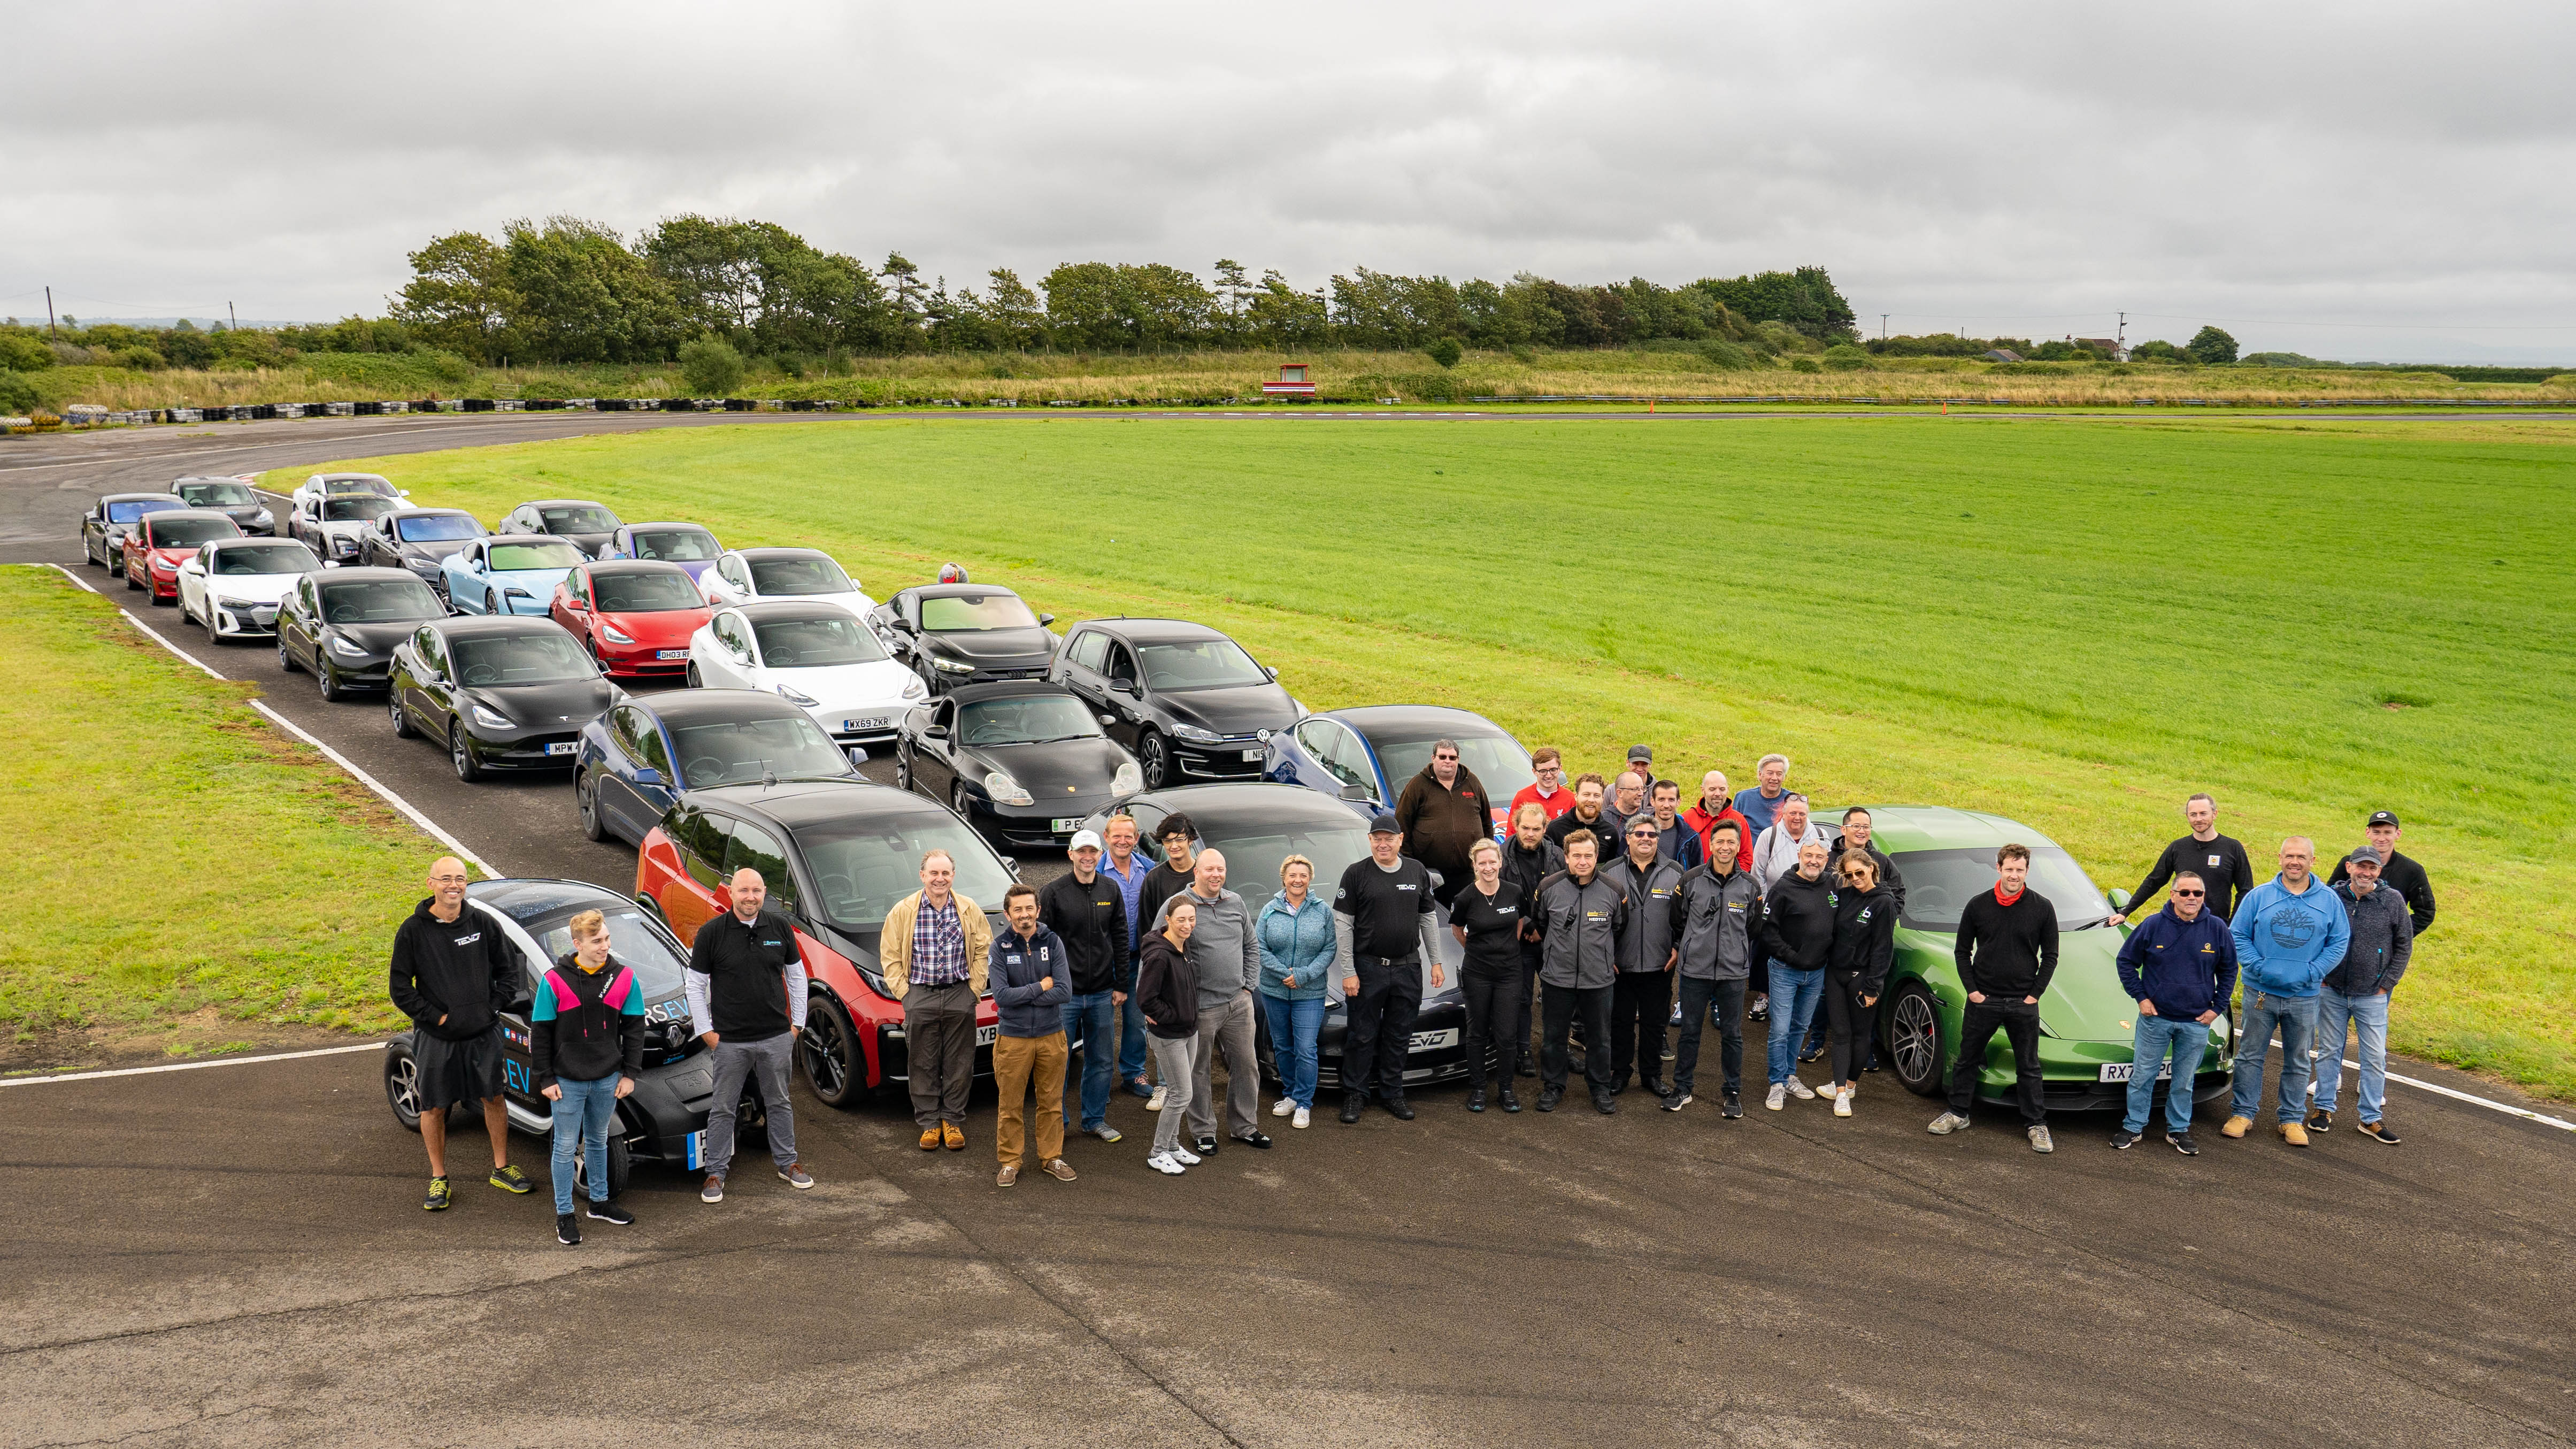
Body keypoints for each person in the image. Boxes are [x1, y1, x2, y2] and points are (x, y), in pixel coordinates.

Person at [390, 856, 528, 1211]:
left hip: (484, 1033)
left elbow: (510, 968)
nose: (454, 885)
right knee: (434, 1106)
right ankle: (438, 1177)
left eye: (461, 879)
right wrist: (435, 1018)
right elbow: (400, 987)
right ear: (430, 883)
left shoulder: (483, 922)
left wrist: (493, 1006)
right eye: (446, 879)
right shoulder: (412, 931)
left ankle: (501, 1167)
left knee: (494, 1098)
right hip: (436, 1039)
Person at [688, 867, 814, 1199]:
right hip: (729, 1041)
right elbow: (695, 985)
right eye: (744, 891)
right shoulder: (712, 933)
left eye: (757, 891)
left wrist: (796, 1025)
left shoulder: (780, 928)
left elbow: (798, 978)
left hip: (775, 1037)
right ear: (731, 893)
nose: (751, 898)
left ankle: (788, 1163)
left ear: (764, 893)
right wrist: (707, 1032)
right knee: (723, 1108)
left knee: (779, 1103)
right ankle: (715, 1173)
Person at [1926, 845, 2060, 1153]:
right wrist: (1973, 991)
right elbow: (1962, 952)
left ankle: (2036, 1125)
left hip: (2022, 1003)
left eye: (2020, 870)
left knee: (2029, 1067)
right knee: (1967, 1059)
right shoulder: (1978, 906)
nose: (2014, 875)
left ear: (2027, 872)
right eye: (2009, 869)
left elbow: (2051, 956)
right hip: (1983, 1000)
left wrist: (2033, 995)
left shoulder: (2042, 907)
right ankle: (1958, 1113)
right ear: (1998, 868)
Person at [2222, 838, 2350, 1147]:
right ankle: (2242, 1114)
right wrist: (2258, 966)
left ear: (2312, 861)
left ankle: (2291, 1119)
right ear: (2279, 858)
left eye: (2301, 857)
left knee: (2298, 1059)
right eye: (2290, 856)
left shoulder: (2329, 900)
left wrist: (2313, 971)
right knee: (2251, 1055)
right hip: (2260, 993)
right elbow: (2237, 934)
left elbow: (2339, 941)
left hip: (2305, 996)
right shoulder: (2259, 896)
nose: (2295, 862)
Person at [533, 908, 645, 1245]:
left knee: (598, 1140)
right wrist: (545, 1078)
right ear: (577, 943)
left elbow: (635, 1029)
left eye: (607, 939)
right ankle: (565, 1214)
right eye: (597, 941)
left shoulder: (625, 977)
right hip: (566, 1080)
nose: (605, 946)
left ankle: (600, 1203)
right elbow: (540, 1033)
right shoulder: (554, 980)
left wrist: (630, 1073)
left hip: (607, 1076)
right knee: (565, 1147)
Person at [1150, 848, 1268, 1153]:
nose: (1216, 875)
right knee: (1198, 1070)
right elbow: (1154, 952)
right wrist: (1151, 1003)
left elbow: (1252, 946)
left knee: (1247, 1065)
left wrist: (1248, 987)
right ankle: (1203, 1131)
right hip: (1199, 1008)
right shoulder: (1180, 906)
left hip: (1238, 1003)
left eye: (1221, 869)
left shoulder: (1236, 902)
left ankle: (1245, 1126)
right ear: (1196, 872)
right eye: (1209, 869)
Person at [2110, 870, 2236, 1155]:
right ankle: (2134, 1125)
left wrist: (2216, 1008)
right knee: (2143, 1076)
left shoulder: (2217, 929)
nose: (2192, 898)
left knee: (2184, 1080)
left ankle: (2178, 1129)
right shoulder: (2153, 925)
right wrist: (2141, 998)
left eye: (2198, 893)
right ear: (2173, 895)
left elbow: (2230, 971)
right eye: (2185, 893)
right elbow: (2126, 962)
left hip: (2195, 1022)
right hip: (2156, 1019)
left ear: (2204, 896)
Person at [1333, 812, 1449, 1122]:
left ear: (1400, 840)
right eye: (1377, 838)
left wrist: (1436, 962)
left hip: (1408, 967)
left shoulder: (1416, 871)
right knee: (1361, 1034)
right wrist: (1348, 971)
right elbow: (1343, 925)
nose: (1383, 844)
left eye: (1389, 838)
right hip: (1368, 967)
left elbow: (1428, 919)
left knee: (1400, 1034)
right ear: (1369, 840)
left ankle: (1393, 1093)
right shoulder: (1356, 874)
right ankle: (1355, 1095)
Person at [881, 850, 993, 1154]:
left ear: (953, 876)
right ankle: (930, 1123)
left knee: (960, 1063)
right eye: (934, 873)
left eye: (945, 873)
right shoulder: (903, 911)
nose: (939, 879)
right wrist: (906, 995)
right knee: (922, 1062)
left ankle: (952, 1121)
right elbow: (890, 956)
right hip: (920, 995)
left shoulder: (968, 909)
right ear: (922, 876)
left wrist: (974, 989)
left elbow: (983, 949)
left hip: (960, 994)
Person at [2311, 846, 2414, 1144]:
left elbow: (2404, 945)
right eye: (2360, 867)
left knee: (2374, 1056)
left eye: (2372, 868)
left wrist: (2387, 983)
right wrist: (2322, 977)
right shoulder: (2331, 897)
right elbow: (2319, 935)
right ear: (2349, 867)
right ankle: (2323, 1108)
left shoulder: (2393, 901)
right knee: (2330, 1050)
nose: (2365, 873)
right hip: (2332, 990)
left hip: (2372, 994)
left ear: (2379, 872)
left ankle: (2370, 1118)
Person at [1039, 830, 1132, 1144]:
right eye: (1082, 852)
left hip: (1104, 992)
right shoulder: (1053, 892)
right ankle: (1059, 1122)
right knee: (1058, 1061)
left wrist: (1121, 983)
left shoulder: (1111, 889)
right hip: (1066, 995)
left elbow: (1120, 936)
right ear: (1071, 854)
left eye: (1093, 851)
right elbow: (1043, 942)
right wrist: (1050, 983)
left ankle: (1094, 1120)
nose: (1088, 857)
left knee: (1102, 1059)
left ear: (1099, 853)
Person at [1530, 829, 1627, 1114]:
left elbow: (1619, 927)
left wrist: (1602, 955)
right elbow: (1541, 922)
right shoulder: (1548, 888)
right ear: (1566, 857)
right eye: (1577, 856)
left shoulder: (1613, 890)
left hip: (1598, 979)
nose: (1583, 861)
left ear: (1597, 856)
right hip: (1557, 977)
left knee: (1599, 1038)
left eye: (1588, 856)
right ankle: (1553, 1086)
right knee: (1554, 1037)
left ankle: (1599, 1088)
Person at [1667, 819, 1760, 1116]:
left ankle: (1732, 1093)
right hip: (1695, 970)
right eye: (1720, 841)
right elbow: (1677, 920)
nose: (1725, 847)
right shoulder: (1690, 880)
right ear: (1711, 844)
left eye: (1731, 842)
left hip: (1733, 973)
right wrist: (1694, 946)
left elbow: (1753, 926)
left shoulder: (1750, 886)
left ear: (1738, 846)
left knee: (1732, 1034)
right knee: (1690, 1032)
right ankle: (1683, 1088)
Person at [989, 884, 1075, 1187]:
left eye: (1029, 909)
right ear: (1007, 913)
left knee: (1051, 1101)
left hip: (1052, 1035)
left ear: (1038, 911)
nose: (1024, 915)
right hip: (1013, 1039)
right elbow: (1001, 997)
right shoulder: (999, 947)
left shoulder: (1053, 943)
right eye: (1018, 910)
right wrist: (1041, 986)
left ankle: (1051, 1157)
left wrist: (1023, 995)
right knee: (1010, 1103)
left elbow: (1065, 991)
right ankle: (1010, 1161)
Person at [1810, 807, 1905, 1067]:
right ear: (1844, 830)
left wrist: (1879, 918)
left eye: (1866, 826)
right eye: (1856, 826)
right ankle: (1817, 1042)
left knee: (1865, 1002)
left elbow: (1898, 893)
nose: (1862, 831)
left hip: (1863, 947)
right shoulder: (1829, 858)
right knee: (1822, 998)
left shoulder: (1882, 861)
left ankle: (1866, 1051)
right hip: (1833, 946)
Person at [1604, 815, 1683, 1098]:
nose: (1646, 839)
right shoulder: (1610, 871)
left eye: (1652, 835)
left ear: (1658, 839)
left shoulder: (1675, 872)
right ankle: (1620, 1073)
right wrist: (1606, 953)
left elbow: (1683, 917)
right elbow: (1601, 920)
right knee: (1621, 1022)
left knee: (1654, 1024)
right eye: (1639, 834)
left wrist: (1676, 946)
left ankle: (1651, 1076)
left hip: (1659, 964)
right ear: (1628, 838)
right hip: (1619, 965)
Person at [1754, 839, 1835, 1111]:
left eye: (1819, 857)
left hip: (1816, 972)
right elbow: (1767, 931)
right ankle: (1776, 1083)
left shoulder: (1832, 886)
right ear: (1799, 855)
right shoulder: (1783, 888)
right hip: (1785, 970)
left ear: (1827, 860)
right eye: (1809, 855)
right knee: (1779, 1029)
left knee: (1801, 1026)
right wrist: (1792, 956)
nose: (1814, 861)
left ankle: (1789, 1076)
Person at [1256, 854, 1335, 1130]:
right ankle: (1289, 1094)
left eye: (1303, 875)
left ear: (1310, 879)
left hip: (1310, 992)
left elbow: (1329, 949)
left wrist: (1303, 975)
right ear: (1284, 879)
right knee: (1283, 1046)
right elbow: (1259, 948)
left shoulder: (1322, 910)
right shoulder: (1269, 910)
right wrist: (1284, 974)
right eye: (1292, 875)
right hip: (1274, 991)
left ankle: (1304, 1103)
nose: (1297, 880)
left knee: (1305, 1048)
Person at [1450, 838, 1527, 1113]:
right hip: (1478, 973)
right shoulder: (1465, 897)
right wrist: (1476, 951)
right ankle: (1479, 1089)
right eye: (1482, 863)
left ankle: (1506, 1089)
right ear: (1474, 865)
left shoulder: (1514, 892)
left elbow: (1519, 921)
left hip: (1509, 973)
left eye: (1492, 862)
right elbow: (1457, 929)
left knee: (1507, 1035)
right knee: (1477, 1033)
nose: (1488, 867)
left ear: (1500, 862)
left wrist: (1509, 946)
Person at [1819, 852, 1896, 1117]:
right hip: (1836, 973)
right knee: (1840, 1034)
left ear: (1872, 869)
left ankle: (1850, 1086)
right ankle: (1841, 1091)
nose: (1855, 879)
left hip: (1863, 977)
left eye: (1859, 873)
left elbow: (1883, 948)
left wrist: (1874, 985)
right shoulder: (1846, 895)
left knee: (1861, 1035)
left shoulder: (1884, 902)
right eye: (1849, 875)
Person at [1135, 815, 1200, 1111]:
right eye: (1167, 841)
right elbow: (1146, 927)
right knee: (1165, 1025)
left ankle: (1187, 1092)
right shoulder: (1156, 878)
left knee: (1190, 1033)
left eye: (1179, 839)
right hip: (1164, 963)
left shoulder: (1203, 873)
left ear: (1190, 839)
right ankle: (1164, 1086)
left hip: (1196, 962)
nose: (1174, 845)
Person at [2115, 793, 2256, 924]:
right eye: (2193, 814)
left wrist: (2231, 926)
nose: (2198, 819)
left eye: (2203, 814)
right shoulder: (2178, 848)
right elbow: (2154, 881)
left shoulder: (2232, 848)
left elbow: (2246, 890)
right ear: (2187, 817)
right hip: (2179, 925)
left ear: (2215, 814)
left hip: (2215, 927)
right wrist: (2125, 913)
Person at [1134, 901, 1202, 1176]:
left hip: (1189, 1032)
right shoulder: (1160, 955)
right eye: (1181, 920)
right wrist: (1173, 1016)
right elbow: (1146, 999)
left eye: (1192, 919)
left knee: (1181, 1094)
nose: (1187, 925)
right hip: (1169, 1036)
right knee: (1180, 1095)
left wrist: (1187, 1018)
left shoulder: (1183, 947)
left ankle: (1173, 1146)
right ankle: (1158, 1152)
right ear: (1168, 919)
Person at [1750, 793, 1824, 1036]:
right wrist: (1764, 902)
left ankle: (1799, 1005)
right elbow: (1758, 872)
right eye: (1792, 813)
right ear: (1784, 813)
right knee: (1767, 951)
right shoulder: (1769, 836)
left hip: (1808, 908)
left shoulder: (1820, 836)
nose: (1797, 818)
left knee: (1801, 951)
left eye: (1802, 814)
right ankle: (1763, 996)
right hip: (1774, 904)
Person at [1501, 801, 1564, 1079]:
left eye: (1536, 829)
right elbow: (1499, 896)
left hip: (1552, 939)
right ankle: (1523, 1051)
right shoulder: (1501, 856)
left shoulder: (1559, 857)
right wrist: (1527, 923)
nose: (1530, 833)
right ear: (1516, 826)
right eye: (1525, 828)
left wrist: (1542, 926)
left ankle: (1559, 1050)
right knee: (1522, 999)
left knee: (1557, 998)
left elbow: (1567, 896)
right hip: (1519, 940)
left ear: (1545, 827)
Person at [1394, 736, 1494, 909]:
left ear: (1458, 760)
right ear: (1433, 759)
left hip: (1468, 872)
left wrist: (1486, 854)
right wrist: (1411, 863)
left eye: (1452, 757)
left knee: (1469, 918)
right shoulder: (1417, 785)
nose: (1447, 761)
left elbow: (1486, 821)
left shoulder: (1472, 783)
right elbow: (1402, 825)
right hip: (1431, 875)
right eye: (1443, 757)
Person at [1098, 812, 1158, 1103]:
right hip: (1104, 962)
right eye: (1116, 836)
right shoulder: (1095, 872)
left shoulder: (1149, 870)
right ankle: (1099, 1080)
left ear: (1136, 839)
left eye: (1129, 836)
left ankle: (1134, 1074)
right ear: (1106, 837)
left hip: (1140, 959)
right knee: (1101, 1024)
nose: (1123, 841)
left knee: (1136, 1022)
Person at [2326, 810, 2436, 939]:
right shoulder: (2350, 863)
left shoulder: (2412, 870)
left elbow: (2426, 912)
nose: (2381, 838)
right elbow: (2329, 899)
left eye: (2388, 833)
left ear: (2398, 834)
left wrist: (2396, 935)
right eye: (2376, 832)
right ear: (2368, 833)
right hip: (2345, 940)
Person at [1680, 771, 1754, 867]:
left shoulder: (1739, 820)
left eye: (1722, 789)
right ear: (1703, 790)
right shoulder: (1688, 818)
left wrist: (1732, 880)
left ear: (1728, 790)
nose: (1718, 794)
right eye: (1712, 789)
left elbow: (1746, 857)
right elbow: (1680, 855)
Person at [1545, 774, 1618, 853]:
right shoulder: (1555, 829)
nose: (1591, 800)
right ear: (1576, 797)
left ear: (1603, 799)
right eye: (1586, 795)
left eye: (1597, 796)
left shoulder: (1611, 832)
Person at [1511, 747, 1579, 823]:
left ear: (1560, 768)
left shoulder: (1571, 800)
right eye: (1543, 771)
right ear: (1535, 772)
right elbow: (1512, 832)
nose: (1549, 775)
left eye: (1553, 770)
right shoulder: (1522, 798)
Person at [1648, 779, 1703, 869]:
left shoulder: (1691, 838)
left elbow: (1697, 874)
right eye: (1661, 800)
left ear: (1678, 802)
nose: (1666, 805)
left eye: (1671, 800)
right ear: (1653, 801)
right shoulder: (1638, 833)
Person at [1734, 754, 1791, 835]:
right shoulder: (1743, 798)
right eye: (1770, 773)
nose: (1774, 778)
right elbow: (1733, 830)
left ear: (1784, 777)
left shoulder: (1792, 800)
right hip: (1750, 848)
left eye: (1779, 774)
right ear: (1760, 775)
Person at [1602, 770, 1648, 839]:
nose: (1641, 794)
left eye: (1642, 789)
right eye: (1635, 789)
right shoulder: (1605, 820)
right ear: (1620, 793)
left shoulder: (1647, 820)